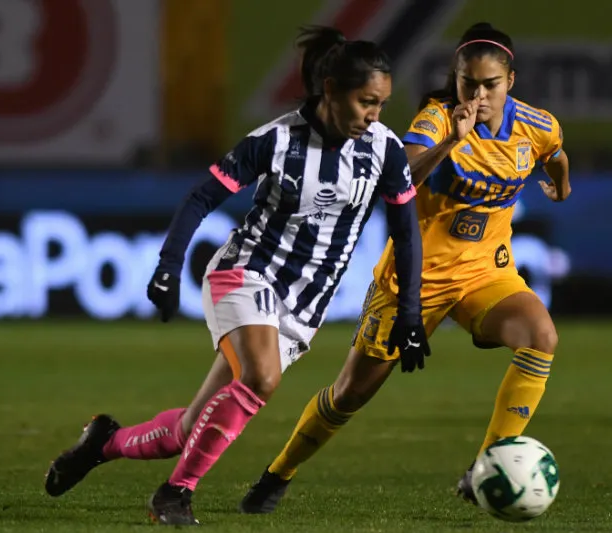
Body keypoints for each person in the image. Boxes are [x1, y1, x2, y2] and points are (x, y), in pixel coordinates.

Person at [43, 26, 430, 526]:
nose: (374, 114)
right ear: (330, 89)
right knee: (261, 377)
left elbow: (407, 230)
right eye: (365, 102)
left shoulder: (386, 150)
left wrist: (412, 312)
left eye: (381, 103)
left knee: (188, 430)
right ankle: (175, 495)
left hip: (303, 306)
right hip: (244, 272)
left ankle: (102, 443)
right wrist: (169, 265)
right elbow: (201, 197)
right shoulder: (276, 140)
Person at [239, 22, 571, 513]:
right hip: (414, 281)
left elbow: (555, 154)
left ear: (511, 82)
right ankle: (277, 473)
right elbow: (398, 179)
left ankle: (485, 466)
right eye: (468, 83)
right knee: (350, 395)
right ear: (454, 81)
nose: (478, 95)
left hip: (486, 274)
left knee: (541, 336)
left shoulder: (536, 125)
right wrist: (452, 144)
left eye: (490, 85)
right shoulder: (436, 120)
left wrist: (559, 187)